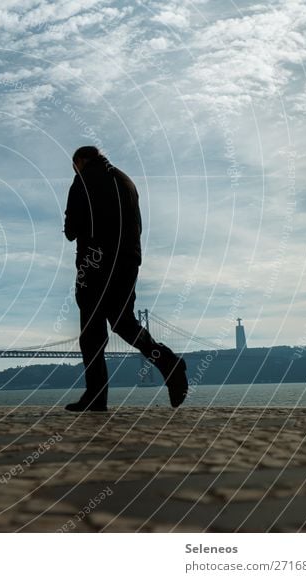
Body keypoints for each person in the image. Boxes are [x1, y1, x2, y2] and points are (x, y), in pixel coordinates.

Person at [63, 145, 188, 412]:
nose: (74, 170)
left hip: (94, 262)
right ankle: (168, 363)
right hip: (128, 260)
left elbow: (71, 230)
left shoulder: (82, 180)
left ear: (80, 161)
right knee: (124, 322)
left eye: (74, 166)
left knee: (92, 332)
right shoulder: (126, 180)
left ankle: (96, 397)